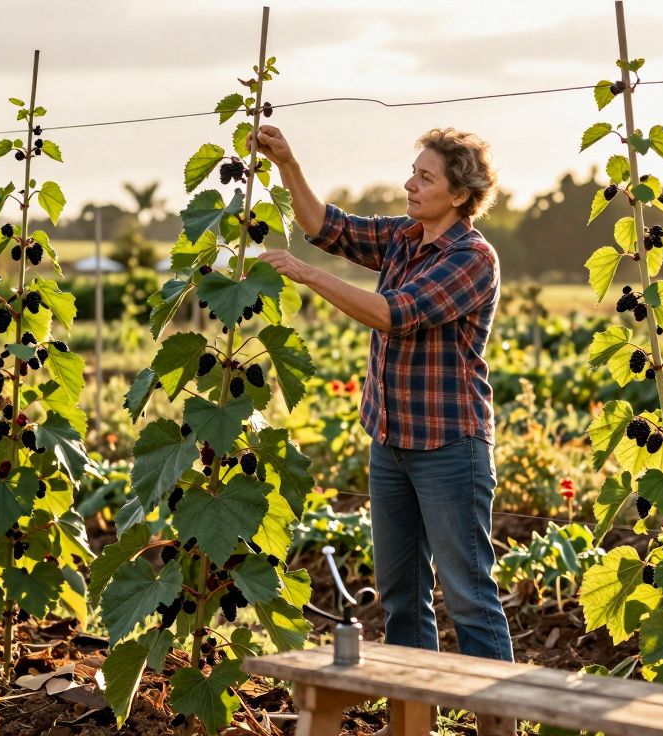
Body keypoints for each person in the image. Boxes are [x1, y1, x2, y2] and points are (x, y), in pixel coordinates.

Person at [250, 125, 516, 736]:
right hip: (392, 443)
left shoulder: (471, 259)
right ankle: (411, 726)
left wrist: (307, 275)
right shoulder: (404, 237)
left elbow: (395, 315)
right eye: (412, 172)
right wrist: (289, 161)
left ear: (459, 194)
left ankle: (498, 728)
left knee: (470, 598)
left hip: (451, 447)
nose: (409, 184)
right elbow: (326, 226)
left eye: (425, 178)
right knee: (401, 599)